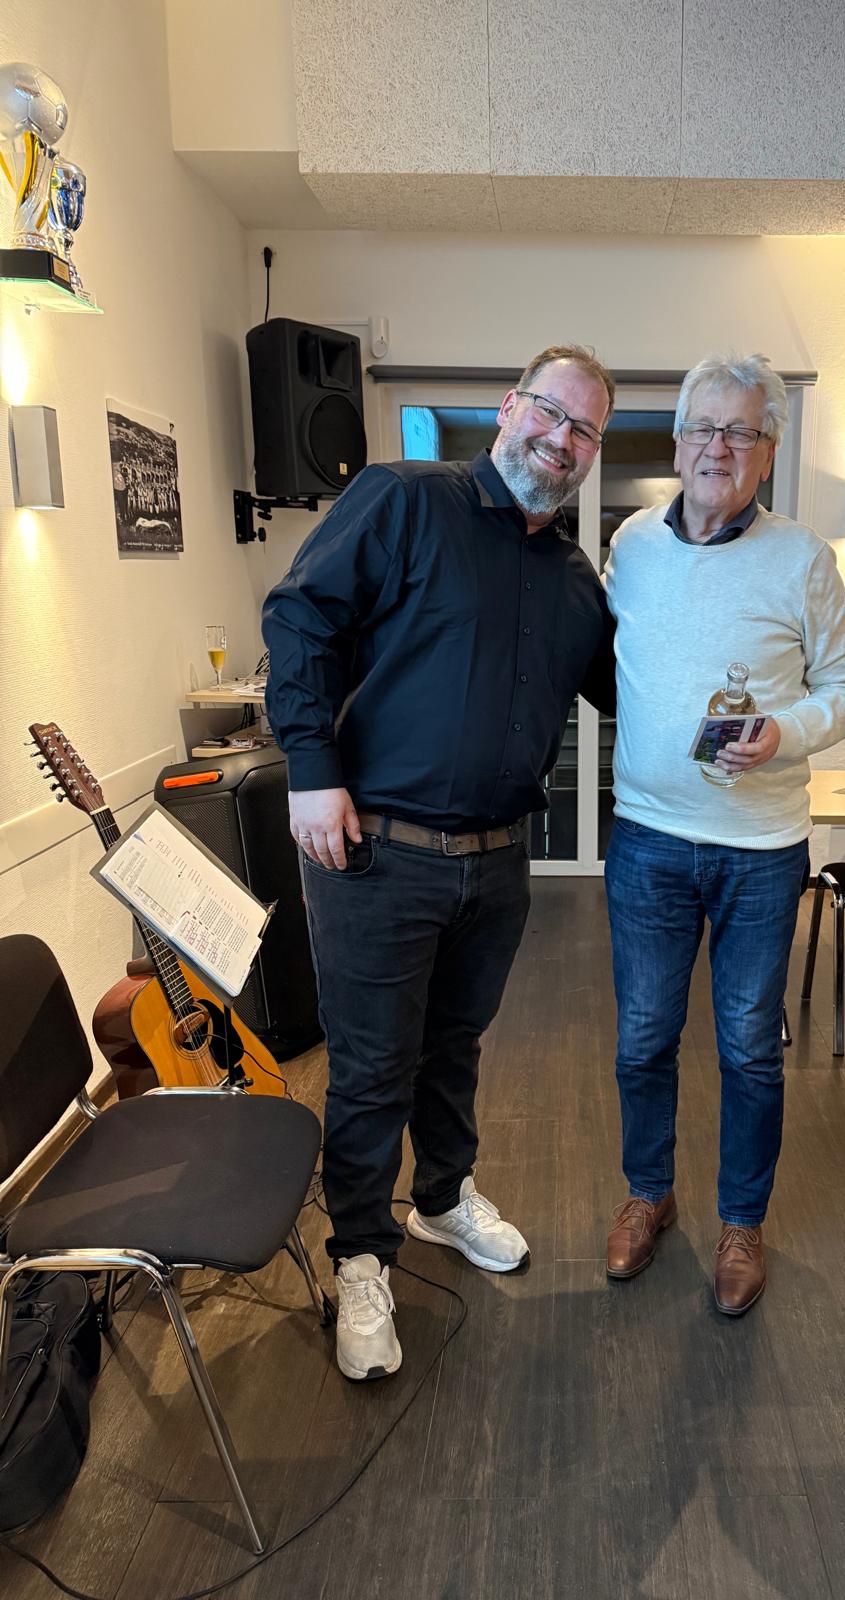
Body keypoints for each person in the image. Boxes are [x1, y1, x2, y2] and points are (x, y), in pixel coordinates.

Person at [262, 345, 617, 1381]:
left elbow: (627, 693)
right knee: (374, 1067)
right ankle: (361, 1254)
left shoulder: (576, 580)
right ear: (509, 407)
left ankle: (442, 1198)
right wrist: (311, 768)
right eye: (550, 412)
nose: (562, 439)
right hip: (376, 852)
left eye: (585, 429)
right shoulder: (403, 500)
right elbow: (299, 616)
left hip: (499, 864)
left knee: (453, 1047)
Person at [601, 352, 845, 1315]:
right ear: (678, 441)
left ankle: (742, 1222)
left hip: (761, 850)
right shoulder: (631, 545)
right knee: (643, 1038)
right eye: (704, 429)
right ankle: (648, 1194)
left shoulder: (804, 558)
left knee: (751, 1049)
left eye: (741, 432)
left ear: (768, 452)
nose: (719, 447)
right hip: (647, 840)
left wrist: (786, 731)